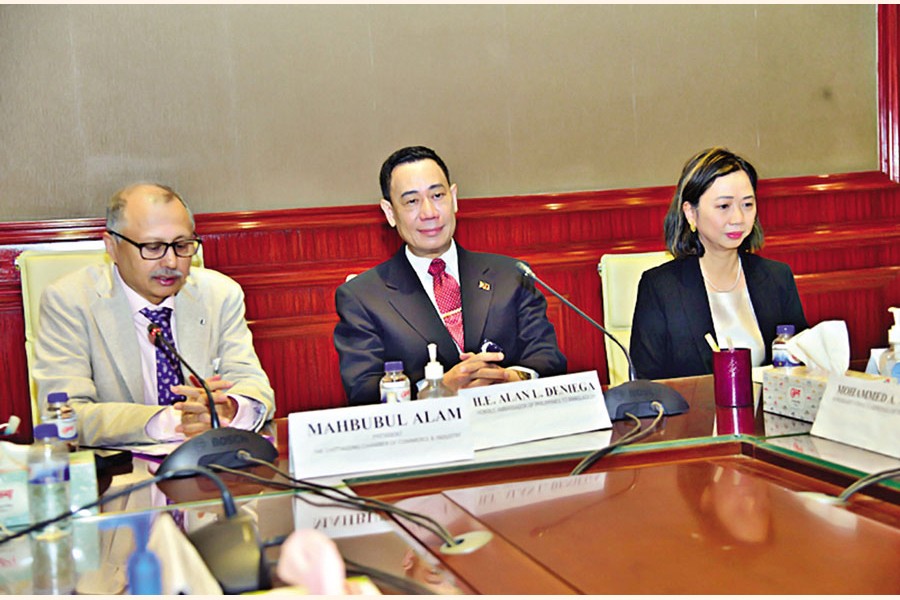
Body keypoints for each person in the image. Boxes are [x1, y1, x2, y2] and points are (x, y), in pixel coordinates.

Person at [33, 183, 275, 447]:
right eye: (152, 247)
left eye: (181, 245)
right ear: (112, 247)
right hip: (122, 466)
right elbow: (66, 413)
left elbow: (252, 383)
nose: (171, 262)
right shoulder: (70, 301)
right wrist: (172, 421)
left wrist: (230, 409)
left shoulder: (220, 294)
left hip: (211, 459)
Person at [334, 145, 567, 405]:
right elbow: (363, 391)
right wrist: (437, 388)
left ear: (453, 198)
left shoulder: (511, 275)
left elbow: (548, 358)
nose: (429, 213)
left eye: (437, 195)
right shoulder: (362, 297)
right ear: (390, 212)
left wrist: (509, 379)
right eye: (411, 201)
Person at [630, 147, 808, 380]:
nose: (738, 219)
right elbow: (646, 383)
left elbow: (802, 366)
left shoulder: (777, 278)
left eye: (747, 205)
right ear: (691, 213)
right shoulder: (661, 288)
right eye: (724, 206)